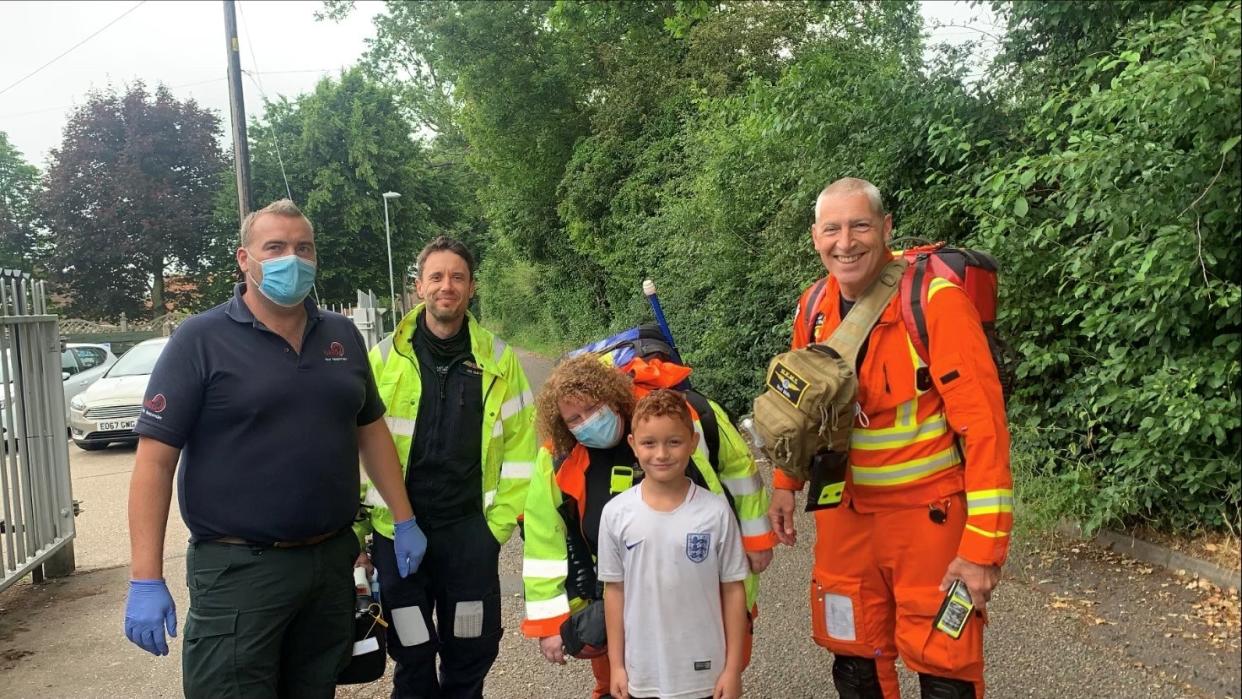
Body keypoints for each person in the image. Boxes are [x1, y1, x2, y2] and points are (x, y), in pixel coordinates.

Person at [124, 199, 421, 699]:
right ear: (245, 259)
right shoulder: (200, 339)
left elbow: (370, 431)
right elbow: (154, 461)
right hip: (240, 571)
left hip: (329, 564)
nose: (293, 259)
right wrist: (145, 577)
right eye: (276, 247)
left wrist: (406, 518)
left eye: (304, 248)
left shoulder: (342, 336)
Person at [766, 178, 1012, 698]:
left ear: (885, 228)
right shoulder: (813, 307)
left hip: (929, 519)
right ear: (815, 237)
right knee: (853, 655)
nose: (845, 242)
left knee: (944, 660)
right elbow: (802, 410)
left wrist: (983, 550)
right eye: (832, 229)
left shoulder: (935, 303)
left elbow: (985, 431)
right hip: (844, 517)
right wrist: (786, 480)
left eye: (859, 225)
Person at [522, 353, 774, 699]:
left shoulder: (678, 417)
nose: (587, 421)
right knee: (615, 685)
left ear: (613, 396)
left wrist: (756, 537)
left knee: (718, 676)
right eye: (575, 418)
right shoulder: (556, 458)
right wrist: (550, 623)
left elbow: (739, 470)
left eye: (594, 408)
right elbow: (542, 543)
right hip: (622, 598)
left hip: (703, 589)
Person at [354, 235, 537, 699]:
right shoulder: (382, 360)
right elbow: (355, 450)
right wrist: (359, 535)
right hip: (399, 533)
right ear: (419, 287)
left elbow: (522, 451)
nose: (446, 286)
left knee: (470, 646)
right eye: (436, 276)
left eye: (457, 277)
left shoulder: (498, 360)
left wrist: (494, 529)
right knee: (410, 646)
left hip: (468, 535)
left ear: (472, 287)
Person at [598, 389, 749, 699]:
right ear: (633, 446)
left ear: (693, 442)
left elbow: (733, 590)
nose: (662, 454)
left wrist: (732, 669)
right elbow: (614, 591)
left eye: (674, 442)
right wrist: (617, 665)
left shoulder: (716, 512)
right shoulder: (616, 513)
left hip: (704, 672)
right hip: (642, 671)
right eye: (649, 443)